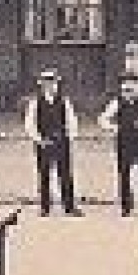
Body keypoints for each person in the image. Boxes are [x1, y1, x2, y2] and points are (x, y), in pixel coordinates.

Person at [24, 69, 81, 216]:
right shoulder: (35, 103)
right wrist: (39, 140)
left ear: (57, 84)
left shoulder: (64, 101)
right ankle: (44, 207)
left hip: (62, 142)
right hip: (44, 143)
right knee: (44, 175)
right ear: (41, 85)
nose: (50, 86)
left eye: (53, 82)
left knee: (66, 175)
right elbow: (30, 124)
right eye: (47, 83)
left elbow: (71, 121)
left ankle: (69, 207)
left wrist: (69, 137)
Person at [98, 73, 138, 216]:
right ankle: (126, 207)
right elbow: (102, 119)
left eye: (132, 83)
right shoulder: (117, 102)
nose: (129, 87)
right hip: (124, 142)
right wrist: (115, 128)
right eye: (126, 84)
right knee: (124, 174)